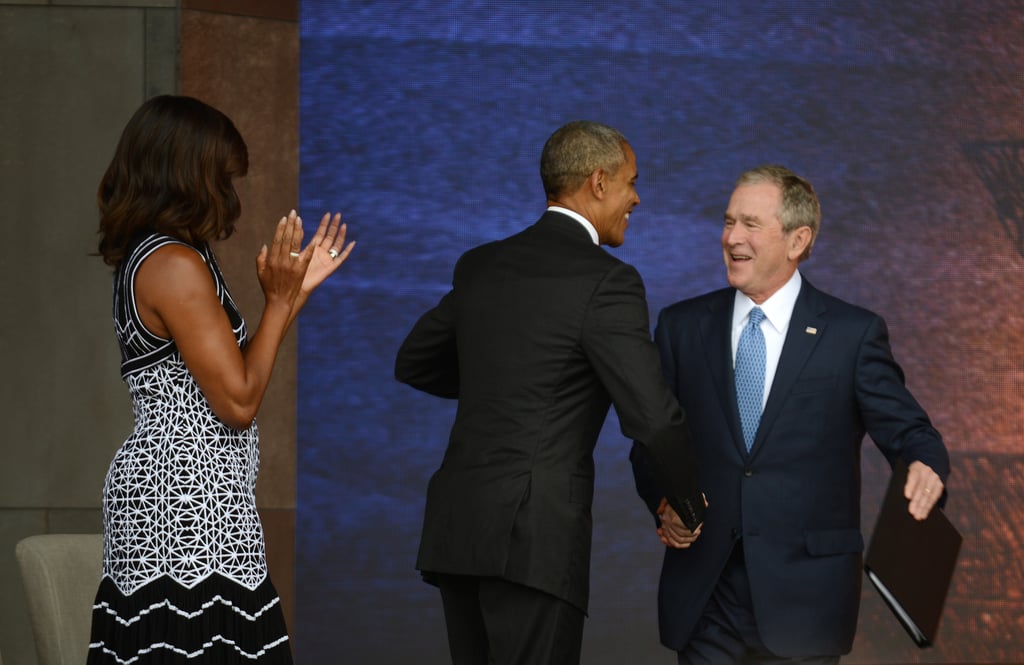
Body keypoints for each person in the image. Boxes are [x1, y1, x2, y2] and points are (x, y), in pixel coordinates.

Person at [394, 120, 705, 665]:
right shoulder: (608, 281)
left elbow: (414, 361)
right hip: (532, 540)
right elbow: (653, 418)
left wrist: (506, 380)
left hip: (459, 529)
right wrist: (686, 505)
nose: (638, 196)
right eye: (632, 181)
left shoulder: (482, 264)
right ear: (599, 182)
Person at [631, 164, 950, 665]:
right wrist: (664, 501)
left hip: (807, 598)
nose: (731, 237)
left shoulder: (852, 334)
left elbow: (909, 430)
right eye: (728, 220)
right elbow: (652, 441)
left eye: (751, 224)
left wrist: (925, 463)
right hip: (706, 594)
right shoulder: (682, 326)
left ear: (798, 240)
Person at [87, 95, 354, 664]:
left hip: (196, 496)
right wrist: (278, 304)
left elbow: (232, 375)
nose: (230, 195)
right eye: (222, 178)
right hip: (180, 501)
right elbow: (238, 402)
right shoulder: (172, 264)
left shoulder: (172, 256)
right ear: (187, 175)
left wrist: (292, 296)